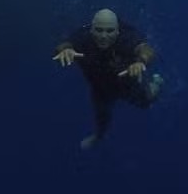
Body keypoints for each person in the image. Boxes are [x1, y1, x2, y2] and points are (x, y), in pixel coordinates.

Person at [52, 8, 163, 150]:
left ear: (117, 31)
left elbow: (146, 49)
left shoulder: (127, 36)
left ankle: (157, 82)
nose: (104, 36)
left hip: (125, 83)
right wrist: (64, 50)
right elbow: (64, 44)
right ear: (92, 30)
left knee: (147, 101)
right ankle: (99, 136)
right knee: (101, 118)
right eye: (99, 30)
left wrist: (141, 61)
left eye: (110, 31)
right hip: (100, 87)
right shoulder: (83, 36)